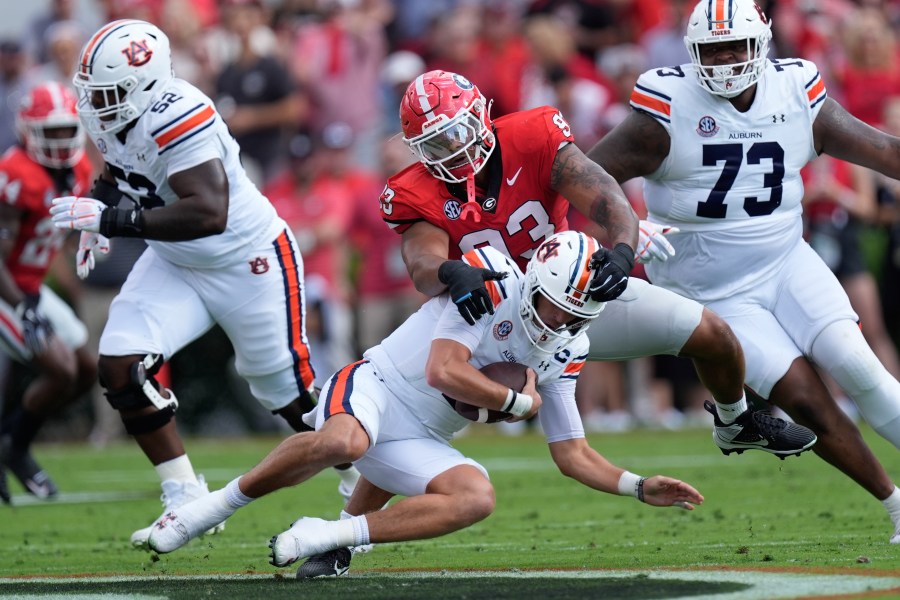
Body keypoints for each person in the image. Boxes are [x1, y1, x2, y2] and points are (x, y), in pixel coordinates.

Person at [295, 67, 817, 578]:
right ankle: (344, 535)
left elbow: (609, 197)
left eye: (457, 131)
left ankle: (736, 421)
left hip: (573, 295)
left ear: (481, 113)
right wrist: (453, 273)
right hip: (496, 315)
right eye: (436, 141)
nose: (453, 148)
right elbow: (421, 266)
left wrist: (620, 251)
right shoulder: (415, 188)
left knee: (712, 333)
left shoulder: (534, 133)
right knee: (418, 414)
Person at [139, 232, 706, 564]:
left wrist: (637, 485)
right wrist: (515, 406)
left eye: (578, 316)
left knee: (476, 497)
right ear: (534, 282)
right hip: (379, 386)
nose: (562, 324)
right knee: (343, 439)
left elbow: (571, 452)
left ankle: (333, 535)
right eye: (560, 307)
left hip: (423, 435)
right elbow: (443, 370)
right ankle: (205, 510)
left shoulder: (568, 342)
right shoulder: (492, 282)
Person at [585, 0, 900, 544]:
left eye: (736, 47)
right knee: (802, 396)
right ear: (691, 54)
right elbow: (585, 175)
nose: (726, 60)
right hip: (711, 291)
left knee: (859, 366)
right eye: (713, 49)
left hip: (786, 261)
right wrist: (626, 226)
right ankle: (896, 505)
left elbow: (882, 150)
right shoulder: (665, 109)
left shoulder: (795, 91)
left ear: (763, 45)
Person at [48, 19, 357, 546]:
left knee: (289, 395)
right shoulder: (113, 111)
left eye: (108, 93)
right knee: (120, 365)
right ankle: (184, 493)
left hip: (247, 259)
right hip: (175, 260)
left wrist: (113, 222)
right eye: (92, 92)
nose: (96, 104)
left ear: (145, 85)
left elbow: (208, 211)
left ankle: (362, 482)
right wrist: (98, 207)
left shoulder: (180, 113)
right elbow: (119, 168)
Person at [0, 81, 97, 502]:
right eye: (50, 131)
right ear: (28, 129)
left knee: (88, 370)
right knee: (61, 369)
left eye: (65, 130)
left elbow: (67, 226)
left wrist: (95, 233)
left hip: (31, 286)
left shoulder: (78, 171)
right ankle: (16, 448)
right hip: (8, 289)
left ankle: (10, 442)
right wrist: (24, 308)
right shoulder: (15, 174)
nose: (60, 140)